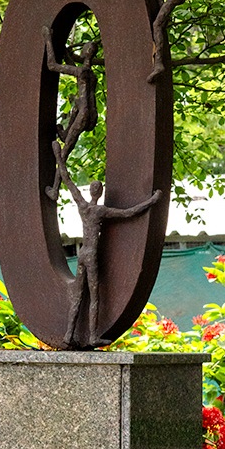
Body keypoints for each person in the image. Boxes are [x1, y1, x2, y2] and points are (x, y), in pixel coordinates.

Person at [52, 141, 160, 347]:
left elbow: (67, 180)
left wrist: (58, 155)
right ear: (99, 193)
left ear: (90, 191)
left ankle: (68, 335)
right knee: (94, 296)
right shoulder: (100, 211)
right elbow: (129, 213)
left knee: (77, 296)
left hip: (82, 253)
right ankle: (93, 336)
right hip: (91, 255)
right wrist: (152, 200)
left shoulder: (83, 206)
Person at [43, 25, 99, 198]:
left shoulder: (81, 71)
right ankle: (63, 133)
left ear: (85, 52)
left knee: (64, 153)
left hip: (83, 113)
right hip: (91, 114)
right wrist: (64, 50)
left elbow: (52, 65)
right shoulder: (90, 74)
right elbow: (72, 66)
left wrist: (47, 38)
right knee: (66, 137)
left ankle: (55, 188)